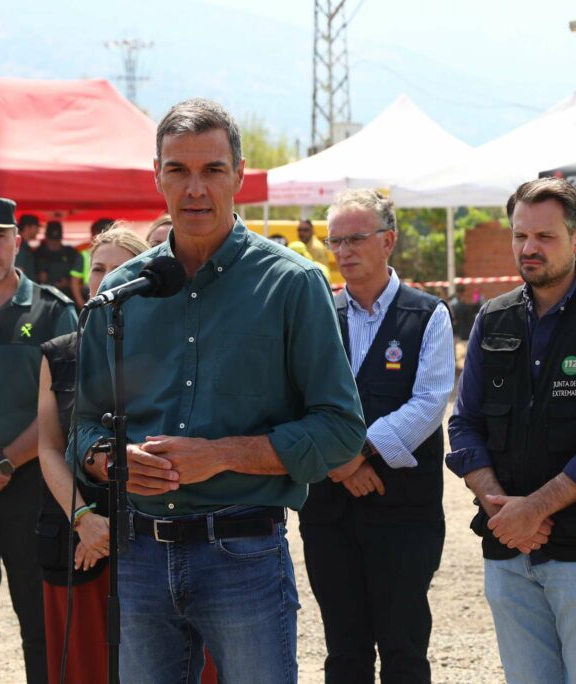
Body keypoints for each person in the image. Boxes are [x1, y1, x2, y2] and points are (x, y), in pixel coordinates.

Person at [71, 98, 366, 683]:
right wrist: (112, 462)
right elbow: (83, 424)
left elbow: (340, 429)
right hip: (138, 556)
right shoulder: (124, 290)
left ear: (238, 173)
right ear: (157, 175)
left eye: (212, 170)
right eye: (178, 170)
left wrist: (223, 456)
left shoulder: (292, 284)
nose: (195, 188)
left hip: (244, 555)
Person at [447, 177, 576, 683]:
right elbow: (465, 425)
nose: (528, 249)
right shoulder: (493, 319)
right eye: (520, 236)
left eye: (544, 237)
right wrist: (502, 508)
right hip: (509, 551)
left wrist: (533, 509)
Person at [299, 190, 454, 683]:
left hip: (403, 511)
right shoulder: (317, 313)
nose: (343, 250)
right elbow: (295, 398)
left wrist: (354, 450)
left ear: (388, 240)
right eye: (335, 240)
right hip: (329, 512)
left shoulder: (428, 314)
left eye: (355, 238)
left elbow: (431, 401)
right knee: (344, 652)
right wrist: (340, 467)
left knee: (403, 647)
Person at [0, 196, 78, 683]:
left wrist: (6, 461)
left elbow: (70, 405)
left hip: (36, 490)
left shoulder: (54, 312)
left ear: (17, 241)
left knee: (43, 625)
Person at [34, 220, 83, 304]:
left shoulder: (70, 253)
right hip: (44, 297)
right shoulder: (38, 253)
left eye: (57, 240)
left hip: (67, 297)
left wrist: (67, 283)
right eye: (51, 239)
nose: (54, 243)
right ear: (46, 238)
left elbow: (79, 279)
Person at [69, 218, 114, 308]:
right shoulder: (85, 255)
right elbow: (74, 282)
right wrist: (82, 304)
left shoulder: (118, 254)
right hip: (91, 296)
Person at [16, 213, 42, 280]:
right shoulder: (20, 246)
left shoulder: (23, 245)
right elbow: (18, 271)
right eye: (36, 227)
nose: (38, 231)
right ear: (27, 227)